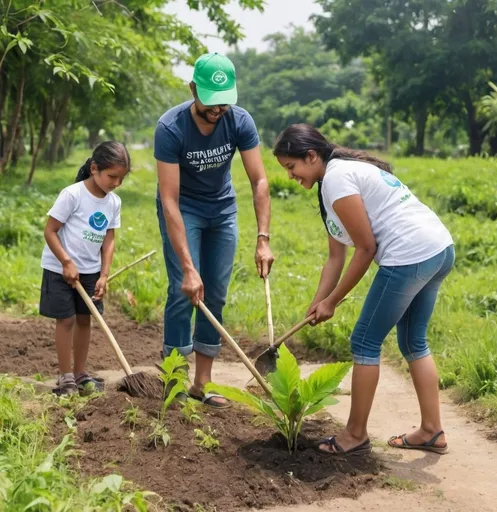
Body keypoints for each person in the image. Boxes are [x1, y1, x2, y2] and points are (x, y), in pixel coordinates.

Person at [273, 124, 454, 455]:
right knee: (413, 341)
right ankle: (432, 431)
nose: (290, 176)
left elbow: (366, 248)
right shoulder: (335, 179)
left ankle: (355, 434)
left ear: (311, 156)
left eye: (291, 166)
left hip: (409, 255)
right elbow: (335, 255)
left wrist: (334, 301)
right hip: (438, 249)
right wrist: (319, 301)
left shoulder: (337, 180)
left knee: (364, 341)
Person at [154, 52, 274, 408]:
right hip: (183, 208)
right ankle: (175, 378)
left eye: (224, 101)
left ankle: (202, 382)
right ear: (193, 89)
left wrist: (263, 239)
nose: (217, 108)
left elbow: (260, 181)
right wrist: (189, 268)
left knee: (215, 293)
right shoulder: (171, 128)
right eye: (210, 99)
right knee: (184, 290)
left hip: (222, 210)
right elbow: (170, 199)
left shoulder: (239, 121)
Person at [39, 142, 130, 396]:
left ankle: (80, 374)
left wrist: (104, 274)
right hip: (60, 269)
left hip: (90, 271)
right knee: (65, 319)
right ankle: (65, 376)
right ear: (94, 168)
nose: (116, 183)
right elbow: (50, 231)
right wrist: (67, 262)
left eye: (121, 179)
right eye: (112, 176)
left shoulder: (113, 202)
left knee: (84, 319)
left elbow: (109, 239)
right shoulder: (73, 195)